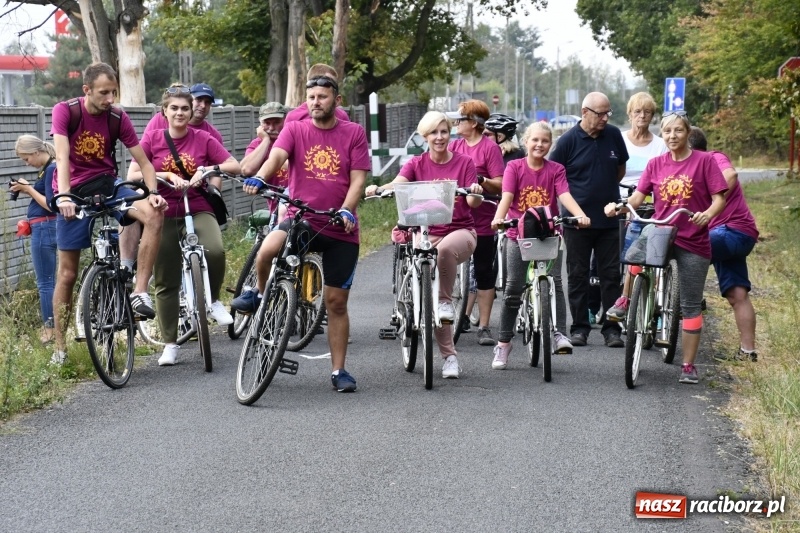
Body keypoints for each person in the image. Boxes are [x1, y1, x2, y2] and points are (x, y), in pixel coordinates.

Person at [231, 74, 369, 392]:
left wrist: (347, 209)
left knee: (335, 302)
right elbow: (276, 158)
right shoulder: (295, 129)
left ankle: (338, 372)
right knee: (267, 250)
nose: (315, 102)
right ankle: (262, 294)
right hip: (301, 218)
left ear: (337, 100)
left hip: (339, 228)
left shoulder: (354, 133)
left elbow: (358, 180)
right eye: (311, 97)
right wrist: (261, 179)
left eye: (322, 96)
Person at [50, 62, 167, 366]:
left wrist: (153, 193)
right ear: (86, 90)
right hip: (72, 190)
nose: (110, 98)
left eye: (114, 92)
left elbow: (144, 162)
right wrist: (63, 195)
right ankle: (60, 349)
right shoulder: (67, 111)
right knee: (67, 273)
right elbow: (61, 157)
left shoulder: (117, 116)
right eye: (104, 93)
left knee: (154, 214)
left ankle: (139, 291)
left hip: (108, 183)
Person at [605, 111, 727, 384]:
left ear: (687, 133)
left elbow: (719, 198)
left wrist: (707, 214)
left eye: (678, 131)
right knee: (636, 251)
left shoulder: (704, 162)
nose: (673, 136)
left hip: (693, 238)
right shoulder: (656, 164)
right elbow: (638, 196)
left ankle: (687, 366)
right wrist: (621, 206)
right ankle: (628, 300)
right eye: (668, 131)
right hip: (663, 231)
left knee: (691, 304)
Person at [127, 83, 240, 366]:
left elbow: (234, 166)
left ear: (192, 112)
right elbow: (133, 173)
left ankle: (213, 301)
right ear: (164, 112)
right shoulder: (153, 138)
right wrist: (163, 173)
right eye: (174, 108)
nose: (180, 113)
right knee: (166, 277)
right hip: (162, 210)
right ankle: (170, 344)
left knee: (214, 251)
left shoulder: (203, 139)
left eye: (185, 109)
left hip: (198, 208)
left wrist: (207, 169)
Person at [366, 111, 483, 379]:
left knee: (442, 257)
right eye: (434, 133)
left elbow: (473, 203)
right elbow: (399, 184)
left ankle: (449, 356)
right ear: (425, 137)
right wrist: (378, 188)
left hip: (460, 231)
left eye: (444, 131)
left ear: (449, 134)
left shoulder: (464, 163)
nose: (439, 137)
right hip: (426, 230)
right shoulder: (416, 163)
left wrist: (475, 192)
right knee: (428, 277)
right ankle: (418, 305)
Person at [490, 122, 590, 369]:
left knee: (555, 282)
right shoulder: (514, 167)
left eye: (545, 141)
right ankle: (503, 343)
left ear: (550, 145)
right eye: (535, 140)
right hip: (518, 234)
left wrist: (580, 215)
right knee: (513, 287)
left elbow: (564, 195)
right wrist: (498, 219)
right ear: (526, 142)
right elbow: (507, 197)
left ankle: (559, 334)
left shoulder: (555, 169)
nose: (539, 145)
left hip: (548, 233)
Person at [549, 91, 629, 348]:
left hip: (608, 220)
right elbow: (555, 177)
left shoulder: (614, 135)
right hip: (576, 222)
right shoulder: (567, 141)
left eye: (608, 113)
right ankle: (580, 327)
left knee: (610, 275)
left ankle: (611, 329)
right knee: (578, 274)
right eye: (600, 113)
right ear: (585, 112)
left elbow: (620, 170)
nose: (605, 118)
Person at [689, 126, 759, 362]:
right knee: (737, 294)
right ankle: (748, 352)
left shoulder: (711, 158)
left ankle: (691, 298)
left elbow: (730, 175)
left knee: (682, 249)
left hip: (728, 232)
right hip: (739, 236)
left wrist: (709, 210)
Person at [606, 92, 668, 322]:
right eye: (638, 111)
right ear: (630, 114)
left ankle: (660, 302)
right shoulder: (618, 139)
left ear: (652, 116)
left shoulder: (661, 145)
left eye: (647, 112)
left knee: (653, 251)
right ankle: (619, 298)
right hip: (621, 200)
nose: (642, 116)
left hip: (649, 203)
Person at [449, 100, 505, 346]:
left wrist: (479, 180)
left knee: (483, 271)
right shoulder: (454, 146)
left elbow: (501, 184)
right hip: (456, 219)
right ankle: (451, 316)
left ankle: (483, 326)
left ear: (473, 123)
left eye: (460, 119)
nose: (456, 123)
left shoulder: (489, 148)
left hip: (482, 219)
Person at [12, 135, 58, 344]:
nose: (26, 163)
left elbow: (51, 204)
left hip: (45, 226)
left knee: (45, 283)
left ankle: (49, 329)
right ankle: (55, 326)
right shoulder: (48, 168)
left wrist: (29, 189)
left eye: (26, 158)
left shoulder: (50, 169)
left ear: (36, 152)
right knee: (52, 281)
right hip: (46, 226)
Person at [144, 83, 223, 144]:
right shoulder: (160, 120)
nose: (203, 105)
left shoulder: (213, 135)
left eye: (207, 102)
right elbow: (142, 157)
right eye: (199, 99)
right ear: (189, 100)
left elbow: (226, 163)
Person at [284, 64, 350, 123]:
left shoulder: (342, 115)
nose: (316, 102)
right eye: (327, 82)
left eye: (333, 83)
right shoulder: (294, 118)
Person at [239, 102, 290, 178]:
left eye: (277, 122)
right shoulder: (257, 144)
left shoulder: (294, 140)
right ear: (260, 123)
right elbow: (246, 170)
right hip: (267, 189)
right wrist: (265, 140)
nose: (271, 128)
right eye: (267, 123)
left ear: (285, 120)